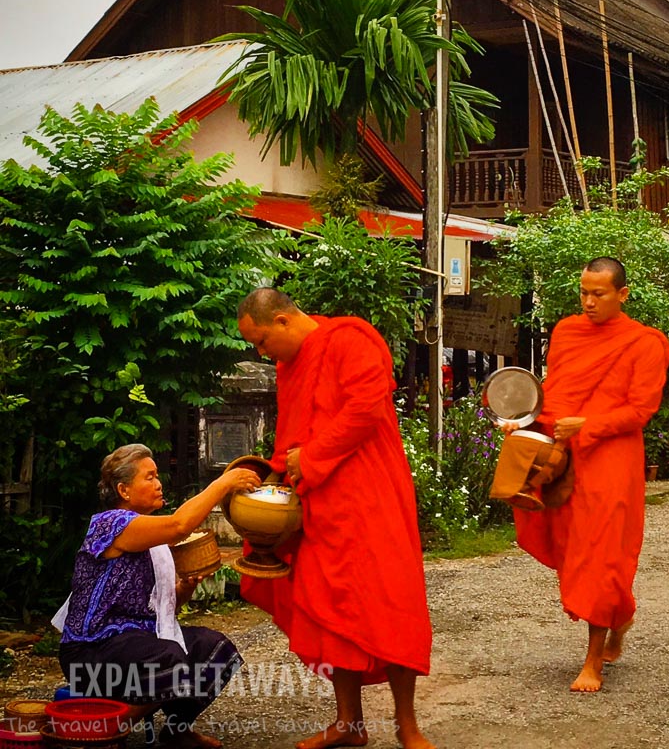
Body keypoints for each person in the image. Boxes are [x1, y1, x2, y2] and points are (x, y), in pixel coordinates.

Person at [237, 288, 434, 749]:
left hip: (371, 494)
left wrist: (313, 456)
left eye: (262, 341)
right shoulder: (291, 365)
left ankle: (408, 725)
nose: (261, 353)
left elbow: (364, 409)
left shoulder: (351, 338)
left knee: (391, 602)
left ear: (284, 321)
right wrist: (275, 479)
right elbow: (291, 435)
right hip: (319, 500)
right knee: (331, 611)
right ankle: (349, 724)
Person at [505, 257, 669, 693]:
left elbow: (641, 410)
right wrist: (522, 421)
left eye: (599, 293)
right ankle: (621, 614)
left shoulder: (646, 342)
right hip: (565, 453)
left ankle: (593, 660)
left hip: (612, 457)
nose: (589, 301)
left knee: (602, 554)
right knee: (572, 547)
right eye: (584, 292)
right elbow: (556, 390)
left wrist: (589, 425)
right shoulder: (567, 331)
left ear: (623, 294)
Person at [55, 444, 261, 749]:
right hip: (90, 651)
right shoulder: (110, 524)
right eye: (149, 477)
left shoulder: (152, 538)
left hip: (135, 642)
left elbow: (163, 611)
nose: (159, 483)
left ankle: (177, 730)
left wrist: (186, 588)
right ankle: (107, 731)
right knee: (169, 657)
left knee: (213, 649)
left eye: (157, 476)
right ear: (124, 490)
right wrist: (223, 483)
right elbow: (180, 524)